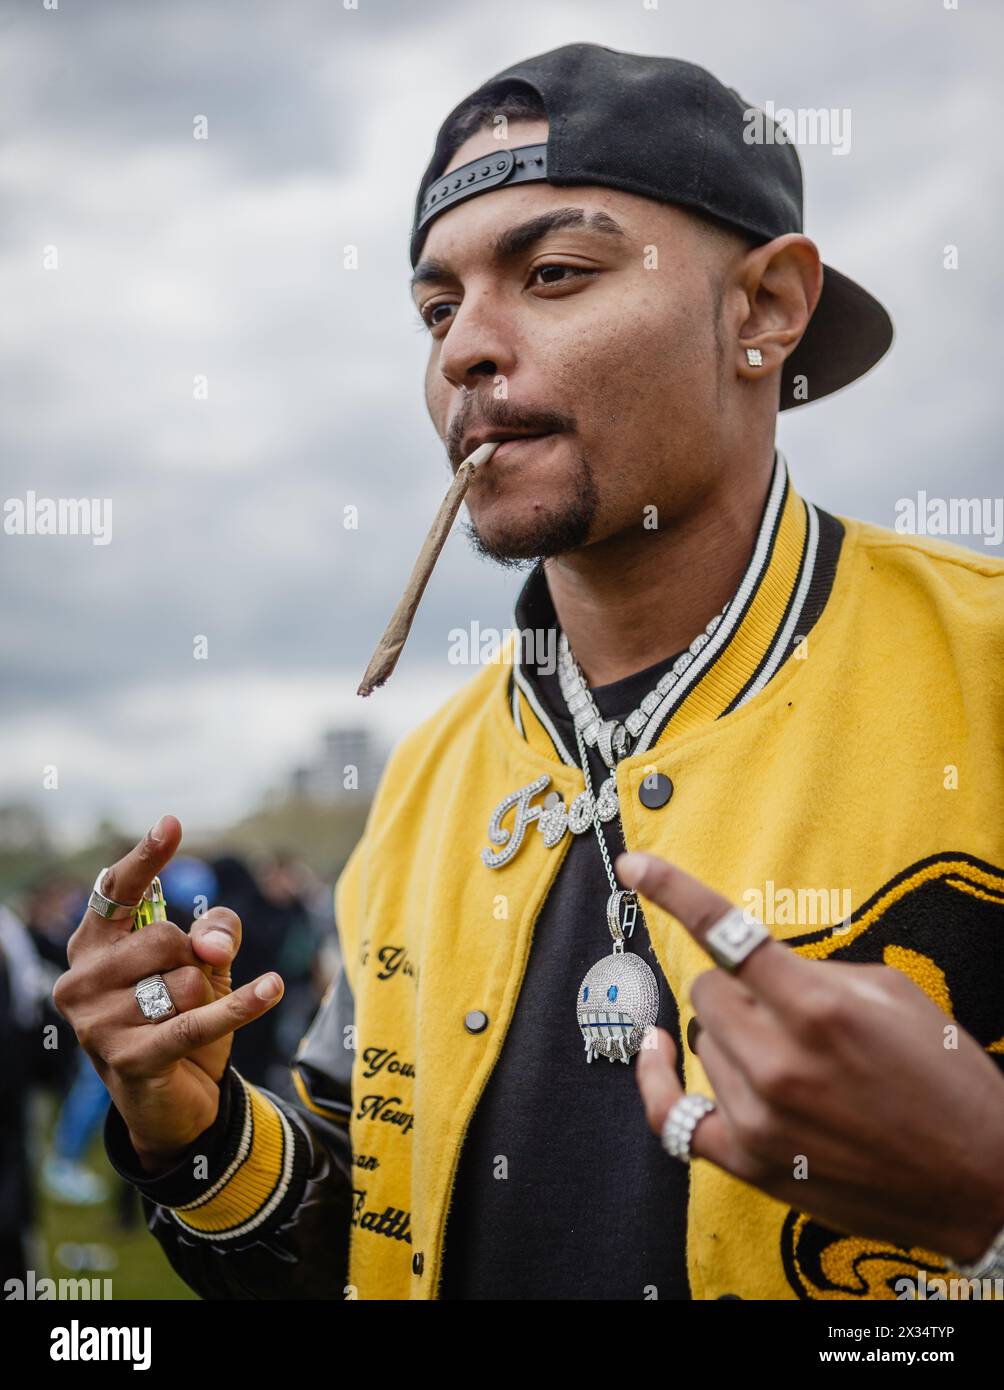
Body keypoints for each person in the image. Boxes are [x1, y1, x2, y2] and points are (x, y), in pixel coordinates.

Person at [53, 44, 1004, 1301]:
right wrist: (199, 1127)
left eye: (552, 274)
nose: (465, 352)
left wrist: (980, 1202)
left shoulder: (976, 679)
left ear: (764, 309)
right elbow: (372, 1219)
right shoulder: (426, 788)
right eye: (437, 310)